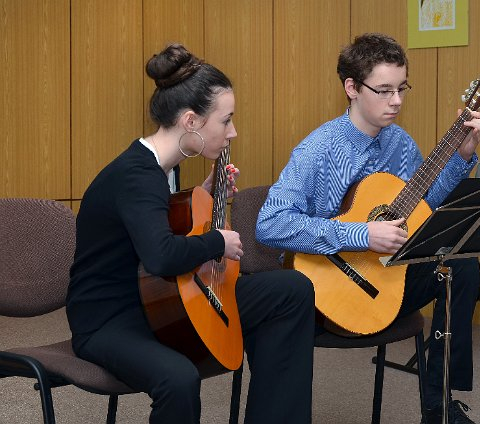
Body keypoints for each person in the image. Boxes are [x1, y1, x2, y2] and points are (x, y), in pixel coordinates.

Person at [66, 43, 315, 424]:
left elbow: (163, 232)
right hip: (110, 319)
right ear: (191, 121)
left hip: (162, 297)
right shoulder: (137, 175)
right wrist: (219, 241)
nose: (233, 132)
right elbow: (161, 256)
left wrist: (207, 192)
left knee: (290, 290)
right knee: (179, 378)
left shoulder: (166, 169)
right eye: (225, 120)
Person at [256, 33, 480, 424]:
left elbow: (422, 206)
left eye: (401, 88)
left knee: (460, 266)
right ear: (351, 88)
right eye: (383, 90)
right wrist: (360, 234)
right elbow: (270, 223)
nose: (396, 101)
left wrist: (461, 158)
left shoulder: (400, 143)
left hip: (384, 280)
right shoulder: (319, 149)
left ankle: (438, 404)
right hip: (327, 286)